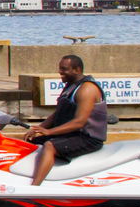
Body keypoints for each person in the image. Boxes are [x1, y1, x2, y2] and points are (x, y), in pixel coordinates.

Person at [23, 54, 106, 185]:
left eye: (64, 69)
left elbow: (79, 122)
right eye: (60, 68)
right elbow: (57, 114)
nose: (60, 72)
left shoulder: (87, 89)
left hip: (87, 138)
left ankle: (34, 187)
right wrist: (39, 129)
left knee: (50, 146)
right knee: (29, 143)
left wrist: (49, 132)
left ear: (77, 70)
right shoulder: (71, 85)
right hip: (70, 134)